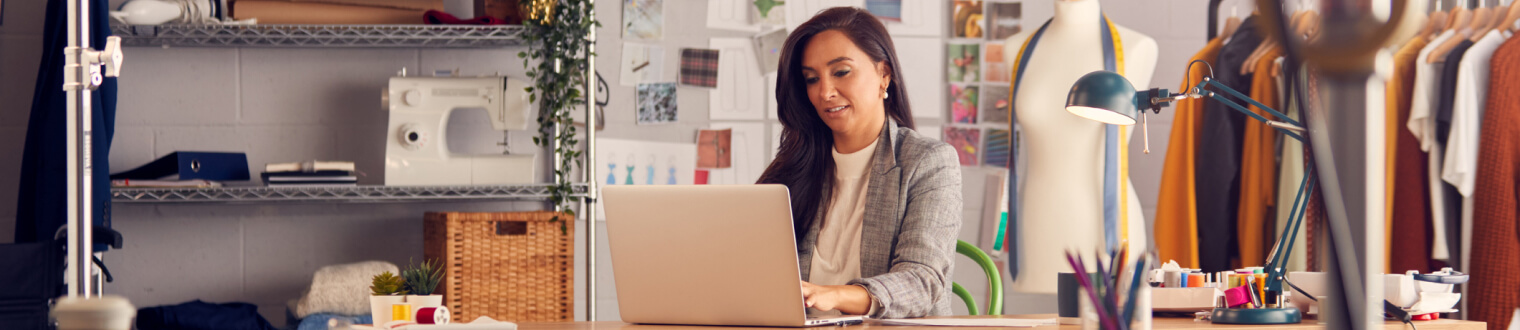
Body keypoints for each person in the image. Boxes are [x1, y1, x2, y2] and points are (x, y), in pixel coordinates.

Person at [757, 7, 964, 319]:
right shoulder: (792, 169)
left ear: (884, 75)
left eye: (841, 72)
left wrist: (833, 295)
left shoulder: (928, 162)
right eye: (812, 79)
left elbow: (922, 282)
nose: (825, 92)